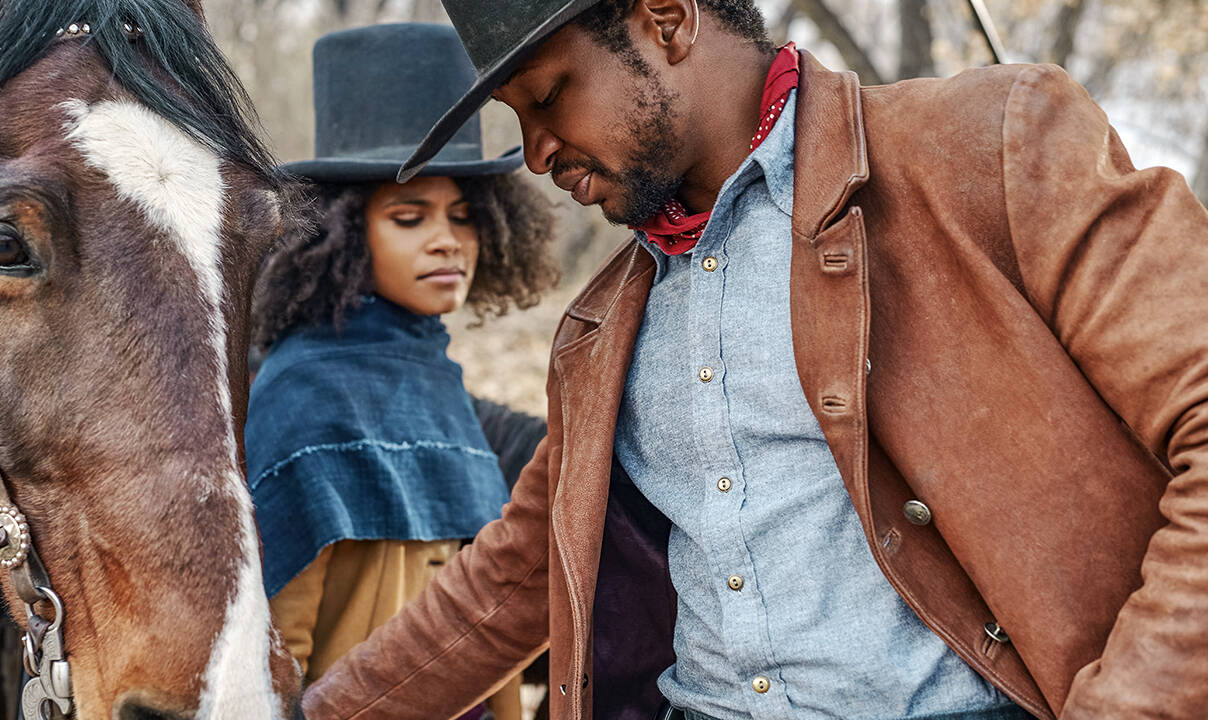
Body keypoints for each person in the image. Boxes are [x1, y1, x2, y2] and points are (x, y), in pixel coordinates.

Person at [301, 2, 1208, 719]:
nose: (534, 154)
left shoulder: (992, 145)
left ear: (667, 21)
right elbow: (520, 575)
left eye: (547, 99)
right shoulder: (600, 325)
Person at [244, 23, 557, 720]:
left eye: (464, 216)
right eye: (410, 218)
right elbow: (276, 651)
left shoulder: (434, 375)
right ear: (348, 233)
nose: (448, 240)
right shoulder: (303, 390)